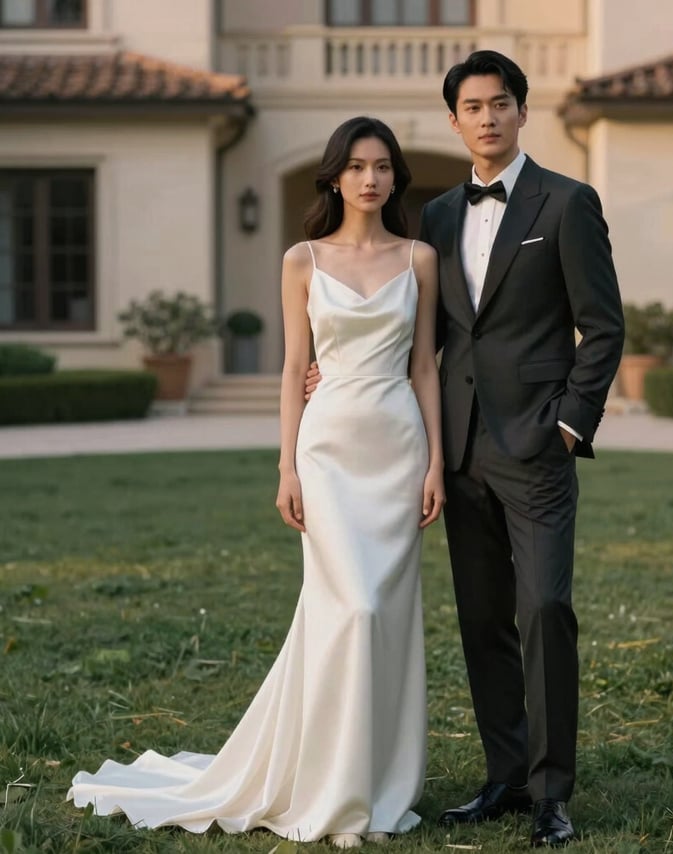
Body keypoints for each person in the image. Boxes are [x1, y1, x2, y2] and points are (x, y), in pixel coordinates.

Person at [67, 116, 445, 850]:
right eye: (357, 166)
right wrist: (286, 465)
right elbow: (290, 368)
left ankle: (377, 779)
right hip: (329, 446)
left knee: (386, 615)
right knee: (350, 609)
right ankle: (326, 781)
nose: (371, 178)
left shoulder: (420, 258)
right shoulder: (301, 259)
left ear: (395, 177)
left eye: (383, 166)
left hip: (397, 444)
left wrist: (433, 461)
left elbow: (425, 365)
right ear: (334, 176)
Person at [305, 50, 625, 848]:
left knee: (544, 609)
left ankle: (553, 792)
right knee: (482, 620)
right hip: (455, 450)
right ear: (455, 121)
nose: (486, 118)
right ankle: (505, 776)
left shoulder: (569, 202)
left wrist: (570, 423)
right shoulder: (439, 217)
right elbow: (423, 335)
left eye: (500, 103)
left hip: (538, 447)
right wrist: (332, 366)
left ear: (522, 112)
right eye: (472, 107)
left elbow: (603, 326)